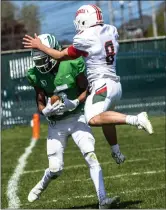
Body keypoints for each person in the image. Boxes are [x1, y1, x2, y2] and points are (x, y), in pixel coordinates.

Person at [23, 5, 153, 161]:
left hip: (101, 85)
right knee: (107, 119)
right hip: (115, 85)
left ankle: (136, 119)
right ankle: (116, 151)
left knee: (92, 117)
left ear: (84, 20)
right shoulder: (111, 30)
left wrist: (40, 46)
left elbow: (59, 55)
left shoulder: (85, 38)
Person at [26, 33, 120, 209]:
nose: (40, 64)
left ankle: (103, 200)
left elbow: (87, 89)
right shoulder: (35, 75)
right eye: (37, 60)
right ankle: (41, 185)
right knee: (55, 169)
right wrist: (44, 110)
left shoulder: (71, 63)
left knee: (91, 156)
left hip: (77, 117)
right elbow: (39, 99)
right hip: (56, 124)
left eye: (43, 58)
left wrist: (76, 101)